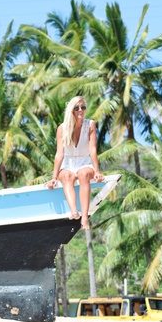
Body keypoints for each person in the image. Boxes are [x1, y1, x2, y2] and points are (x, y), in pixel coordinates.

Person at [46, 96, 104, 230]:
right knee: (67, 177)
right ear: (71, 110)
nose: (80, 110)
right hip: (68, 164)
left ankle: (84, 218)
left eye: (83, 107)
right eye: (77, 107)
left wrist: (97, 171)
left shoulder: (90, 125)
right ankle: (74, 212)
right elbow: (59, 154)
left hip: (85, 162)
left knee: (83, 175)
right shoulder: (62, 128)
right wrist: (54, 178)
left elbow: (92, 149)